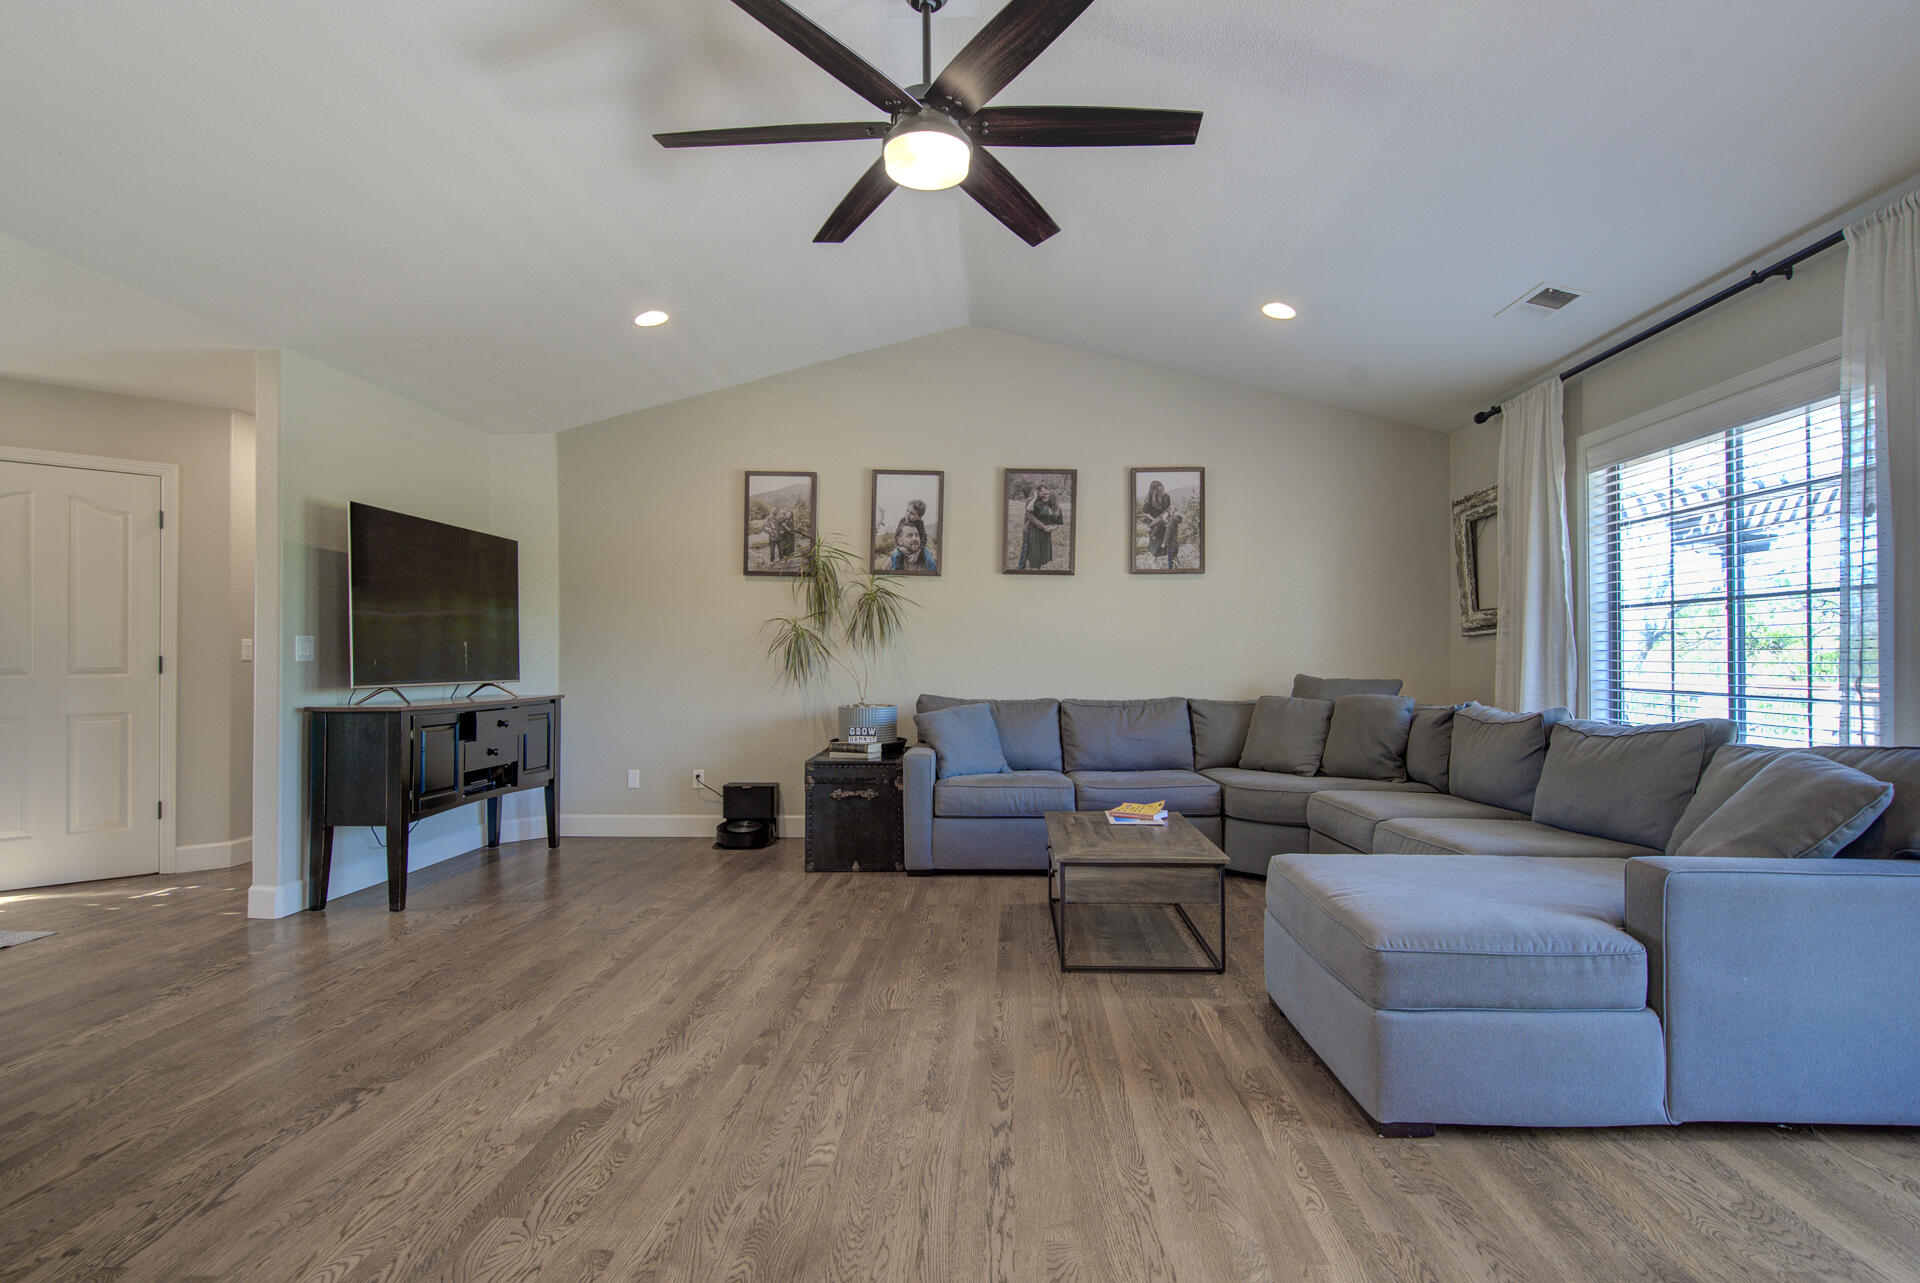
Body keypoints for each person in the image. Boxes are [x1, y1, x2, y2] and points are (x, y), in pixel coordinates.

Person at [1019, 484, 1063, 570]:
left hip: (1040, 531)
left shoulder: (1045, 501)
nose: (1045, 495)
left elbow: (1051, 515)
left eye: (1047, 493)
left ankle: (1036, 567)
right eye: (1043, 493)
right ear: (1038, 492)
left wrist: (1053, 526)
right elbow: (1030, 516)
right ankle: (1020, 569)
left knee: (1037, 553)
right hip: (1029, 529)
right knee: (1025, 550)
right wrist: (1044, 527)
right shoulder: (1030, 500)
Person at [1141, 480, 1172, 561]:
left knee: (1165, 538)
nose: (1162, 492)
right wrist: (1154, 520)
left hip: (1163, 520)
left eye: (1163, 490)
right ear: (1154, 492)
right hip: (1152, 522)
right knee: (1156, 539)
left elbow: (1168, 508)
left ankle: (1166, 556)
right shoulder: (1149, 500)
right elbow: (1145, 513)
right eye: (1159, 491)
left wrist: (1167, 515)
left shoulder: (1166, 497)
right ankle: (1155, 558)